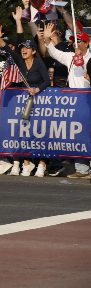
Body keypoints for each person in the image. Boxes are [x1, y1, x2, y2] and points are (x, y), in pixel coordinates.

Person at [0, 26, 51, 176]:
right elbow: (8, 49)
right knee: (21, 132)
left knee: (39, 131)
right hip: (23, 101)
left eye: (27, 48)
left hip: (39, 100)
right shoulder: (19, 59)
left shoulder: (39, 63)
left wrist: (37, 89)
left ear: (33, 50)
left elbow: (47, 81)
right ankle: (20, 163)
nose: (23, 50)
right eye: (22, 48)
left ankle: (41, 164)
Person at [42, 22, 91, 179]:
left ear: (86, 43)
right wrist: (48, 39)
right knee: (79, 135)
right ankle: (82, 170)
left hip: (88, 99)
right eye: (73, 40)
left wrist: (84, 66)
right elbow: (54, 53)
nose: (75, 43)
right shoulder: (71, 57)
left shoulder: (90, 57)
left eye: (78, 41)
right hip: (75, 101)